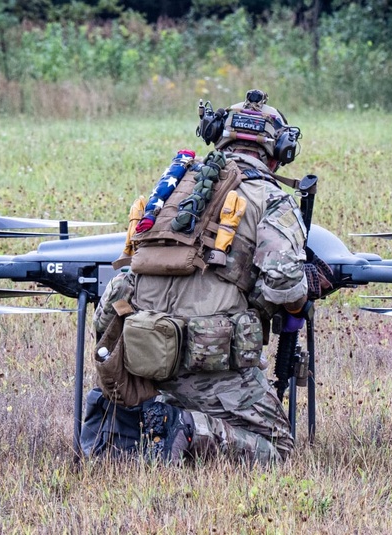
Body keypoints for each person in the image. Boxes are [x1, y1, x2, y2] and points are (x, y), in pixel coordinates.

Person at [87, 89, 330, 464]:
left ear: (216, 135)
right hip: (211, 369)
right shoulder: (270, 198)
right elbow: (282, 283)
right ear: (280, 152)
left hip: (141, 359)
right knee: (278, 452)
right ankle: (184, 427)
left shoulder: (171, 189)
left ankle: (125, 423)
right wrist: (305, 290)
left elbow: (124, 277)